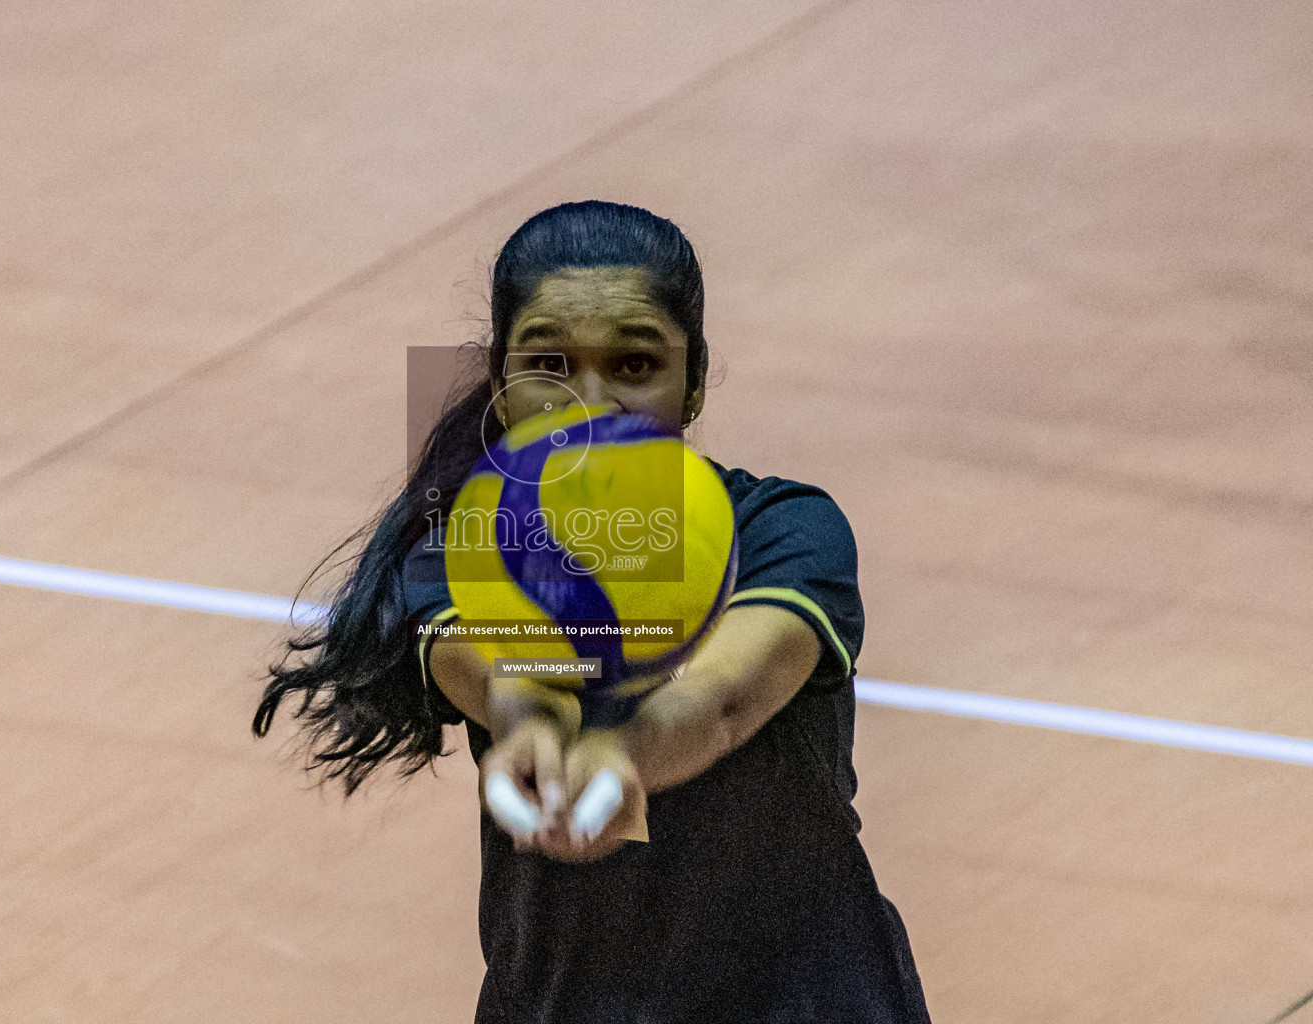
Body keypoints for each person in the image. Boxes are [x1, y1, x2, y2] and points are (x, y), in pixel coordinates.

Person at [254, 200, 932, 1022]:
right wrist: (531, 735)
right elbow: (509, 674)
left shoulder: (786, 532)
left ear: (692, 380)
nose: (591, 404)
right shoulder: (462, 553)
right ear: (501, 386)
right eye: (549, 365)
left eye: (636, 365)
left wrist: (624, 757)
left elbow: (721, 699)